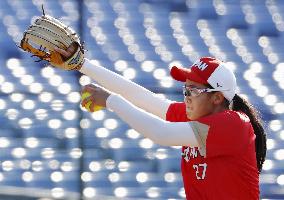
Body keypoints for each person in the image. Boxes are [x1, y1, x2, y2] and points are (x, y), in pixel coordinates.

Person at [56, 45, 267, 199]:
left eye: (194, 90)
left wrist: (111, 100)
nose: (187, 96)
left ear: (217, 98)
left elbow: (161, 134)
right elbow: (144, 98)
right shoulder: (195, 116)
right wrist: (82, 64)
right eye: (185, 89)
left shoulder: (234, 124)